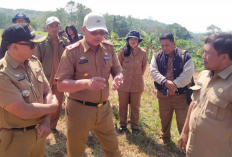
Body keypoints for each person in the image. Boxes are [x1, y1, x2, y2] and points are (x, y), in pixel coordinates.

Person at [55, 12, 123, 157]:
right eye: (94, 32)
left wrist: (118, 77)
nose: (99, 36)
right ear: (84, 30)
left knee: (113, 149)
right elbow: (61, 85)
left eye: (102, 32)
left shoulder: (109, 48)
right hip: (79, 109)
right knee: (76, 151)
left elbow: (117, 70)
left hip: (104, 109)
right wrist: (86, 83)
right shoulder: (72, 52)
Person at [0, 23, 58, 157]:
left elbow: (47, 91)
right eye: (31, 45)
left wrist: (45, 120)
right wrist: (53, 107)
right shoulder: (3, 73)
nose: (35, 47)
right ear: (15, 46)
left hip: (40, 132)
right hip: (15, 139)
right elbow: (24, 111)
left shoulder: (34, 62)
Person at [178, 32, 232, 157]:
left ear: (224, 58)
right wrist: (185, 132)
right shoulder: (204, 75)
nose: (203, 56)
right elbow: (194, 103)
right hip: (193, 148)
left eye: (207, 53)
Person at [150, 33, 194, 144]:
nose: (164, 48)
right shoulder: (156, 56)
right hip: (163, 95)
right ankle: (165, 137)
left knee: (183, 121)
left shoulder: (185, 56)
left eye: (167, 45)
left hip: (181, 97)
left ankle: (184, 143)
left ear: (174, 43)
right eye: (162, 45)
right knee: (164, 118)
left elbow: (187, 75)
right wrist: (165, 82)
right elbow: (153, 71)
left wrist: (173, 85)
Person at [35, 16, 70, 134]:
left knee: (57, 104)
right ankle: (40, 124)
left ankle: (53, 126)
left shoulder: (66, 43)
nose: (54, 29)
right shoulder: (40, 44)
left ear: (60, 27)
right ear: (47, 28)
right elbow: (36, 61)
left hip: (59, 79)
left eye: (56, 26)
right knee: (43, 102)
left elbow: (70, 60)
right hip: (44, 79)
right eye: (51, 26)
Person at [117, 30, 147, 134]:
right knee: (122, 105)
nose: (133, 41)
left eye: (135, 39)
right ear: (128, 40)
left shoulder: (143, 53)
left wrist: (136, 77)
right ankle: (123, 125)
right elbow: (118, 67)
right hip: (123, 84)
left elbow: (143, 68)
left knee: (135, 106)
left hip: (137, 84)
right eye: (131, 39)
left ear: (138, 40)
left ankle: (135, 126)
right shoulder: (122, 52)